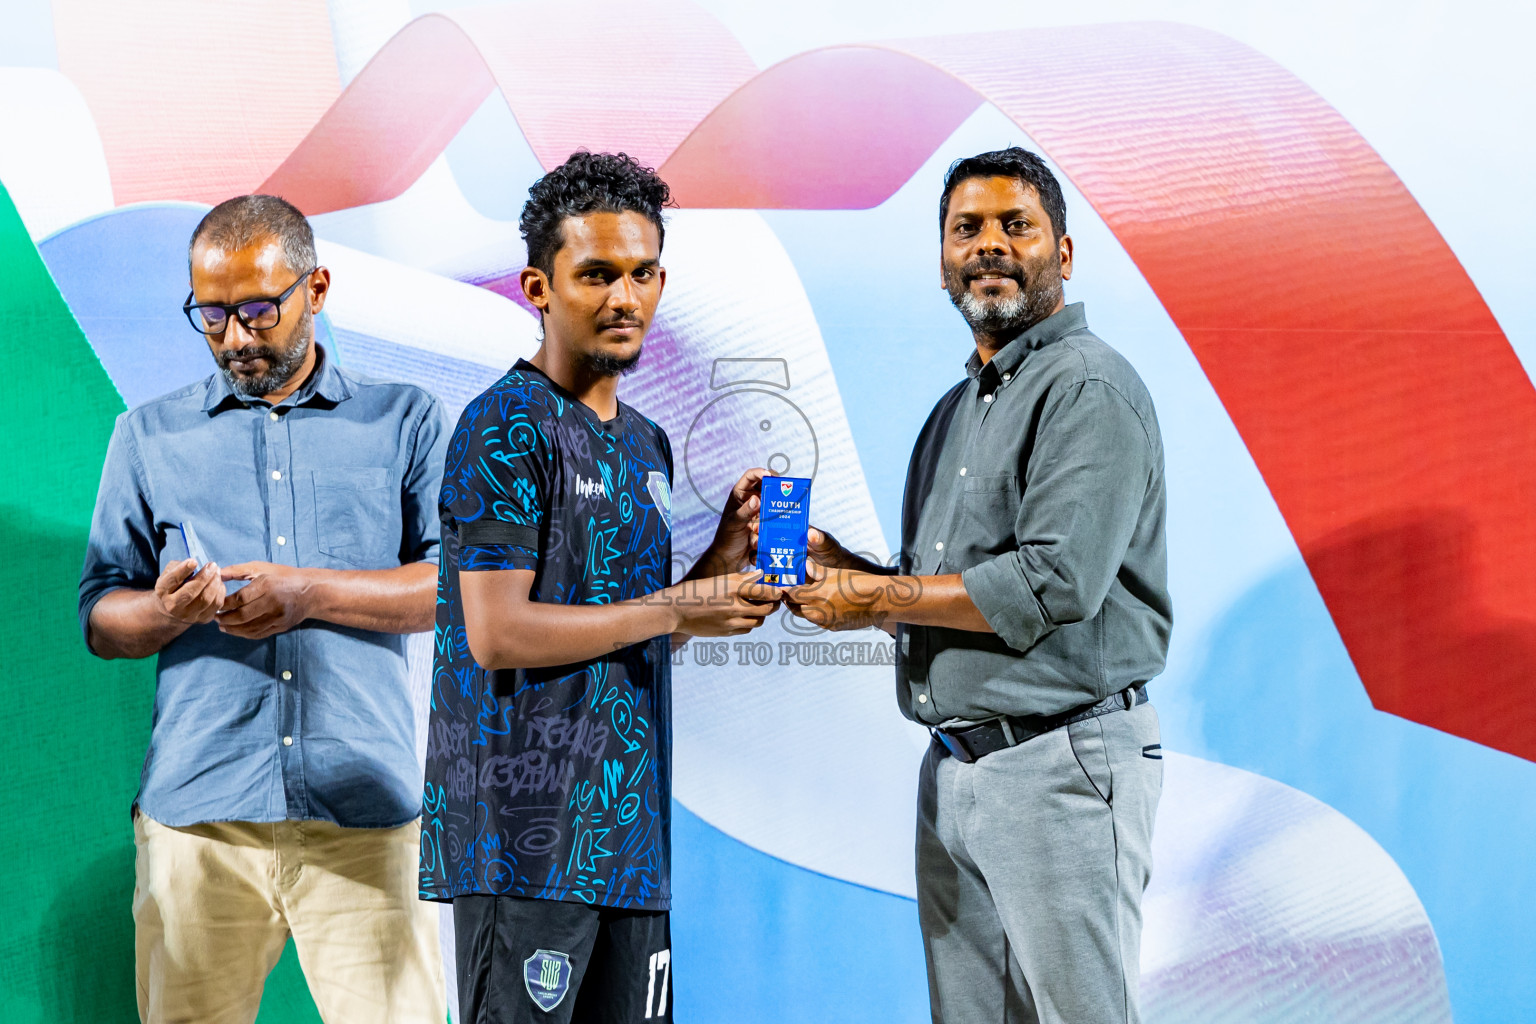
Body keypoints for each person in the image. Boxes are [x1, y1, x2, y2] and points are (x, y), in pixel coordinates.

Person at [785, 147, 1171, 1024]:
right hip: (957, 774)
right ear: (944, 258)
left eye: (1015, 225)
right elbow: (940, 600)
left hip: (1061, 763)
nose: (990, 245)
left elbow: (1051, 584)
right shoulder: (955, 412)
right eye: (968, 229)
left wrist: (879, 599)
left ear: (1062, 255)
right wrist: (846, 575)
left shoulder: (1088, 388)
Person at [421, 151, 781, 1024]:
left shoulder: (645, 442)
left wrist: (721, 565)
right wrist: (674, 607)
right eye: (597, 276)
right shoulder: (502, 426)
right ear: (539, 287)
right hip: (522, 846)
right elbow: (497, 633)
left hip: (628, 840)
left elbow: (636, 626)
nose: (625, 297)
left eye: (643, 273)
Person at [78, 195, 448, 1023]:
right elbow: (102, 616)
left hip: (368, 819)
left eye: (257, 311)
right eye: (210, 317)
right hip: (198, 822)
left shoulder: (407, 420)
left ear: (316, 287)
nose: (236, 339)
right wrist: (168, 611)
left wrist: (306, 592)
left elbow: (456, 589)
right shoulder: (146, 436)